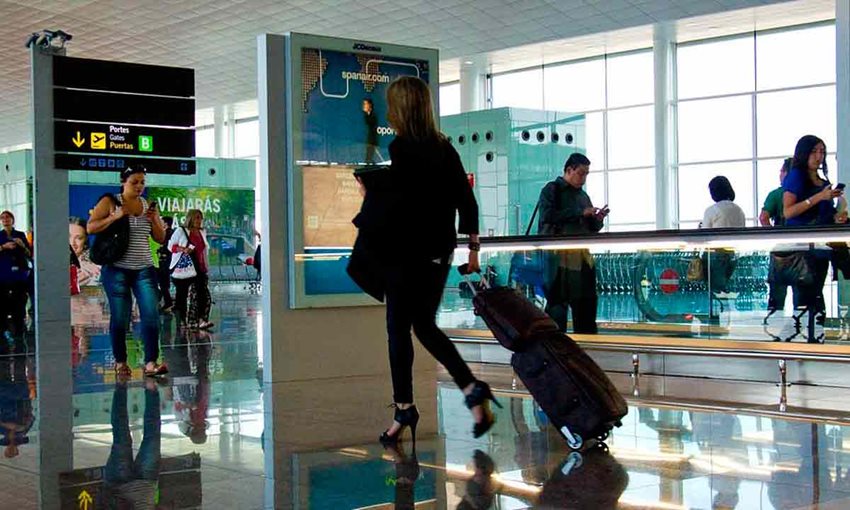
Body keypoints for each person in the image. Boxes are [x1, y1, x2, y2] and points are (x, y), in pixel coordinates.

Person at [350, 76, 499, 443]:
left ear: (401, 108)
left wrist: (372, 188)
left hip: (406, 255)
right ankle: (471, 390)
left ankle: (404, 409)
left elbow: (401, 202)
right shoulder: (444, 148)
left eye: (391, 104)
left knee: (398, 330)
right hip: (439, 255)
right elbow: (467, 202)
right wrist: (475, 251)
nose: (387, 110)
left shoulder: (401, 147)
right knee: (424, 326)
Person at [87, 165, 168, 378]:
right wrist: (115, 217)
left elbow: (160, 238)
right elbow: (91, 227)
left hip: (144, 268)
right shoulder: (110, 201)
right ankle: (120, 361)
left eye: (142, 182)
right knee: (120, 317)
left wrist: (154, 220)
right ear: (123, 181)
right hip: (117, 269)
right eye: (135, 182)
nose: (140, 186)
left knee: (151, 315)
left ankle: (151, 362)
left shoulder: (148, 206)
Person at [536, 153, 608, 334]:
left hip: (581, 261)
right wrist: (580, 212)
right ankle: (557, 352)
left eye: (586, 174)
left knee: (586, 311)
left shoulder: (583, 196)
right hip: (558, 262)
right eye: (581, 173)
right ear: (569, 170)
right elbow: (547, 216)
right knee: (557, 310)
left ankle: (586, 349)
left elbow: (590, 229)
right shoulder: (552, 190)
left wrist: (597, 220)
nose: (583, 178)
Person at [782, 135, 846, 330]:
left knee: (816, 294)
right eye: (814, 151)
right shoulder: (797, 176)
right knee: (805, 296)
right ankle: (804, 338)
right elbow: (788, 211)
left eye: (822, 152)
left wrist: (838, 216)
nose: (819, 156)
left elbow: (825, 214)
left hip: (820, 248)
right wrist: (819, 197)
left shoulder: (822, 180)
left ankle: (814, 336)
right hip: (802, 247)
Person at [103, 379, 161, 508]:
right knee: (152, 437)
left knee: (122, 436)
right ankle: (151, 389)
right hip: (146, 484)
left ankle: (121, 385)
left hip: (119, 485)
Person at [700, 177, 746, 302]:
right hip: (732, 254)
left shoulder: (712, 210)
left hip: (715, 255)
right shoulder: (739, 210)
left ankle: (715, 317)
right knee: (725, 292)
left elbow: (705, 234)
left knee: (715, 293)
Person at [168, 209, 213, 330]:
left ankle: (200, 319)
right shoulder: (181, 231)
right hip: (185, 268)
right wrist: (183, 249)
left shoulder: (202, 232)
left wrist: (205, 266)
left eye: (201, 218)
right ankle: (182, 320)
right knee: (181, 295)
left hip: (199, 268)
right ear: (191, 218)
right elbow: (170, 246)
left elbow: (203, 250)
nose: (199, 221)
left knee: (203, 294)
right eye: (197, 217)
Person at [0, 211, 31, 342]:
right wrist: (3, 246)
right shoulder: (0, 235)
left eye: (8, 217)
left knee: (19, 300)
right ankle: (4, 329)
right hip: (3, 273)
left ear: (13, 220)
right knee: (2, 301)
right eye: (3, 218)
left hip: (19, 274)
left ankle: (19, 329)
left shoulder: (20, 234)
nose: (5, 220)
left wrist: (22, 245)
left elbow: (28, 252)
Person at [69, 216, 101, 287]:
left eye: (79, 238)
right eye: (67, 236)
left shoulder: (93, 266)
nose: (72, 243)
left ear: (85, 242)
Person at [760, 158, 793, 227]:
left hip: (783, 234)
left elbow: (763, 218)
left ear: (787, 173)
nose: (780, 175)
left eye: (781, 171)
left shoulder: (776, 194)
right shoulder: (810, 192)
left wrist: (772, 235)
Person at [156, 216, 175, 313]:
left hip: (165, 262)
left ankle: (167, 302)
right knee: (163, 282)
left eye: (161, 221)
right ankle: (163, 299)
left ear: (166, 224)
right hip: (166, 261)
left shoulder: (168, 234)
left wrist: (159, 250)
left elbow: (167, 248)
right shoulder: (169, 233)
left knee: (163, 282)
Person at [362, 98, 383, 164]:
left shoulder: (373, 115)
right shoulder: (369, 114)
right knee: (368, 158)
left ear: (369, 105)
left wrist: (366, 113)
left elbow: (369, 122)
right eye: (364, 104)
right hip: (370, 140)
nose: (364, 105)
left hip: (372, 140)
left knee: (369, 158)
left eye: (366, 104)